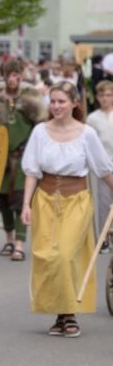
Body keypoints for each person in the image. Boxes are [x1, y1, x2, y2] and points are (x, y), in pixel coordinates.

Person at [20, 81, 113, 337]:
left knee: (65, 255)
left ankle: (69, 312)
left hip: (76, 201)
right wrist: (26, 204)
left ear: (74, 103)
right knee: (47, 257)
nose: (57, 106)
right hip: (45, 200)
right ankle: (60, 313)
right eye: (53, 101)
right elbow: (31, 171)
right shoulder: (40, 132)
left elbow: (103, 169)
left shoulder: (86, 133)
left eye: (62, 101)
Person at [0, 59, 47, 262]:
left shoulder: (31, 97)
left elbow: (41, 125)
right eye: (9, 75)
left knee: (21, 200)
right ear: (4, 76)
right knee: (2, 200)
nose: (12, 79)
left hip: (22, 156)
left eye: (16, 75)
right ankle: (9, 239)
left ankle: (19, 243)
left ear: (21, 76)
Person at [86, 80, 113, 252]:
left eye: (109, 95)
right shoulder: (93, 118)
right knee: (104, 202)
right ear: (97, 97)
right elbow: (91, 145)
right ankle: (104, 238)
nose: (105, 98)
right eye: (102, 95)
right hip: (104, 165)